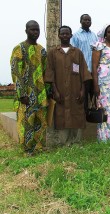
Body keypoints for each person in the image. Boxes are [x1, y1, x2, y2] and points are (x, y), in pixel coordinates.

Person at [44, 26, 91, 146]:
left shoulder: (77, 52)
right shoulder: (53, 53)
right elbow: (50, 73)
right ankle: (64, 142)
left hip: (76, 90)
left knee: (77, 114)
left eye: (67, 34)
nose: (65, 36)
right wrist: (55, 91)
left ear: (71, 35)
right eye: (62, 34)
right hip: (60, 91)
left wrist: (82, 90)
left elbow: (84, 72)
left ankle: (76, 142)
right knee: (61, 115)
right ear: (59, 36)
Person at [10, 20, 49, 156]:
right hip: (26, 93)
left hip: (40, 93)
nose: (35, 32)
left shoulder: (42, 51)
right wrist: (21, 94)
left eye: (37, 30)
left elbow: (46, 72)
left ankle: (38, 147)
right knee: (26, 121)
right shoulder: (19, 49)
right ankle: (27, 150)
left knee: (40, 121)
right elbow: (16, 73)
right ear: (26, 30)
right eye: (32, 30)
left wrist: (47, 92)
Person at [71, 14, 98, 112]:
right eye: (85, 20)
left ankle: (94, 117)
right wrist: (75, 72)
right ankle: (84, 116)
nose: (87, 22)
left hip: (93, 71)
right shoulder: (75, 36)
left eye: (89, 20)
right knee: (83, 94)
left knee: (94, 94)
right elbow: (73, 55)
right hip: (82, 71)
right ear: (80, 21)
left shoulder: (94, 35)